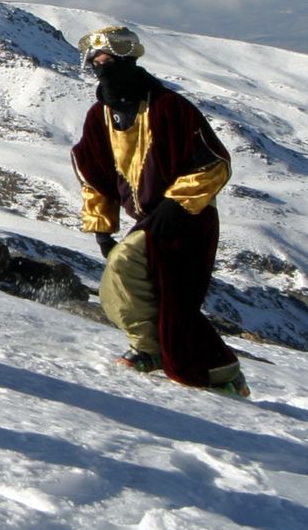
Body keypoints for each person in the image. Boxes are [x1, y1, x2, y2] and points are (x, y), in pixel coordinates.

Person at [70, 26, 248, 394]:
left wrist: (175, 204)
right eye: (96, 62)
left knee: (155, 288)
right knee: (136, 292)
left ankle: (217, 370)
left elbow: (213, 164)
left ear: (129, 61)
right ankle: (152, 349)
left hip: (188, 220)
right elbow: (94, 173)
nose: (103, 68)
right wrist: (103, 228)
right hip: (150, 221)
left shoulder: (170, 108)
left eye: (110, 61)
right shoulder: (99, 117)